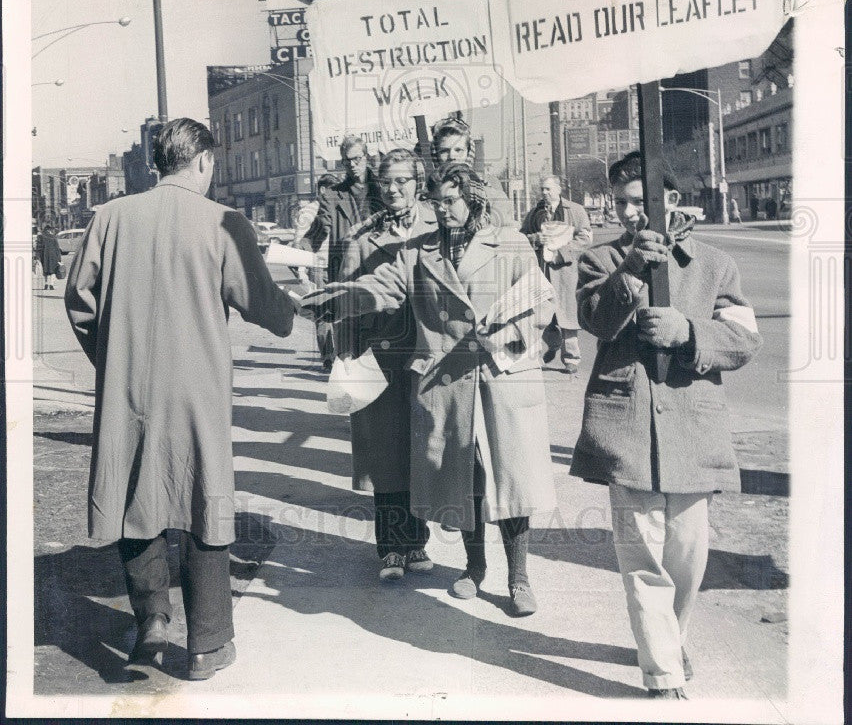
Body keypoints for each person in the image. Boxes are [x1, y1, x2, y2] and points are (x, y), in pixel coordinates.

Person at [64, 118, 294, 681]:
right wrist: (294, 312)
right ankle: (208, 646)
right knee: (202, 501)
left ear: (157, 163)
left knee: (133, 493)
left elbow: (79, 301)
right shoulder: (223, 221)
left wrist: (112, 359)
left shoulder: (110, 218)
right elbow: (260, 300)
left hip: (129, 387)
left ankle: (151, 621)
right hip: (197, 389)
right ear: (203, 163)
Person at [301, 162, 557, 617]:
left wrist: (503, 338)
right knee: (466, 480)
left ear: (473, 199)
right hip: (448, 381)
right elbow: (385, 287)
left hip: (501, 379)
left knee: (510, 481)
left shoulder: (512, 243)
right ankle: (473, 567)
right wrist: (346, 298)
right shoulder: (417, 252)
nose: (441, 211)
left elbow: (540, 301)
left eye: (450, 202)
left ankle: (519, 578)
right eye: (436, 202)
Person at [570, 151, 762, 698]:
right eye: (620, 203)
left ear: (669, 200)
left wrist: (689, 332)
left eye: (639, 202)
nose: (629, 213)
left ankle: (672, 639)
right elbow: (597, 320)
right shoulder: (600, 259)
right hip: (626, 428)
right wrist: (631, 269)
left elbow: (745, 340)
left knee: (686, 556)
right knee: (642, 557)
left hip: (693, 432)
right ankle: (661, 670)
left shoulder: (715, 264)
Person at [337, 149, 435, 582]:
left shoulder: (439, 227)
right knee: (386, 452)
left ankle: (417, 541)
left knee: (422, 449)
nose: (394, 190)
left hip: (430, 355)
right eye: (387, 183)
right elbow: (343, 305)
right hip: (380, 357)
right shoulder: (362, 237)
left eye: (403, 181)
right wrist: (344, 357)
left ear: (418, 182)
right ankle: (392, 547)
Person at [299, 136, 384, 367]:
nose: (353, 165)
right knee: (350, 343)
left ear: (366, 157)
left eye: (357, 159)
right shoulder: (333, 196)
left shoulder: (385, 189)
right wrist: (299, 251)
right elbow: (318, 230)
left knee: (381, 338)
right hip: (347, 276)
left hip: (380, 272)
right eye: (348, 161)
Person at [521, 175, 592, 373]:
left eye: (548, 189)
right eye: (542, 189)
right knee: (542, 317)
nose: (544, 193)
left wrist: (562, 253)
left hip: (566, 272)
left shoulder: (575, 211)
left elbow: (585, 239)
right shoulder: (534, 213)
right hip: (542, 272)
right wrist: (535, 238)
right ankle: (553, 343)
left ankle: (571, 359)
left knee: (567, 317)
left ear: (559, 189)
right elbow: (521, 236)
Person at [429, 115, 516, 226]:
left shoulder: (493, 197)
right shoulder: (426, 201)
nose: (452, 156)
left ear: (469, 152)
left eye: (458, 150)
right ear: (435, 154)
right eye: (444, 151)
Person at [295, 173, 340, 367]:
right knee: (323, 314)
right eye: (334, 191)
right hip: (319, 267)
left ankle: (339, 356)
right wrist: (302, 273)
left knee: (341, 312)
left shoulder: (336, 210)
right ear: (323, 190)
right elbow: (300, 244)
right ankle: (328, 358)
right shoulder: (308, 212)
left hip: (338, 265)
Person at [35, 223, 63, 290]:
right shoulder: (53, 237)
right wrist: (59, 259)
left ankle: (46, 284)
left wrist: (37, 257)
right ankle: (51, 285)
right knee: (53, 271)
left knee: (46, 271)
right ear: (50, 230)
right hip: (53, 257)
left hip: (44, 257)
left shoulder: (41, 237)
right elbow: (57, 248)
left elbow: (38, 248)